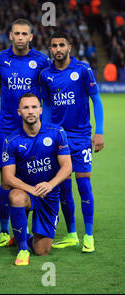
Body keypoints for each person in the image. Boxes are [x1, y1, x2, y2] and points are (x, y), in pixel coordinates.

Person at [40, 31, 104, 252]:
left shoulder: (82, 70)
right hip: (58, 139)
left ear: (70, 47)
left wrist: (100, 131)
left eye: (61, 45)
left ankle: (88, 235)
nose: (58, 49)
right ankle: (71, 234)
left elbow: (96, 100)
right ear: (50, 49)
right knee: (64, 186)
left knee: (83, 184)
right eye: (54, 46)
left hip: (81, 137)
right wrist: (46, 133)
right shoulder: (46, 74)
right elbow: (46, 106)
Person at [0, 18, 51, 247]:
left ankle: (35, 225)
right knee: (5, 182)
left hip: (33, 129)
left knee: (35, 174)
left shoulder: (41, 60)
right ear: (10, 35)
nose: (20, 37)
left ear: (31, 37)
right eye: (16, 33)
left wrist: (44, 122)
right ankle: (5, 231)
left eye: (24, 33)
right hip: (7, 129)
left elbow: (47, 92)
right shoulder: (0, 60)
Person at [1, 93, 72, 266]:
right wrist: (30, 189)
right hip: (26, 192)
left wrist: (50, 184)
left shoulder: (57, 132)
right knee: (16, 197)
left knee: (42, 251)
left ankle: (23, 235)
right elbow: (7, 177)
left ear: (40, 110)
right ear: (19, 112)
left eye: (34, 107)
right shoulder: (11, 140)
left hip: (49, 194)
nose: (30, 111)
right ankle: (23, 249)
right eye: (26, 108)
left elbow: (67, 167)